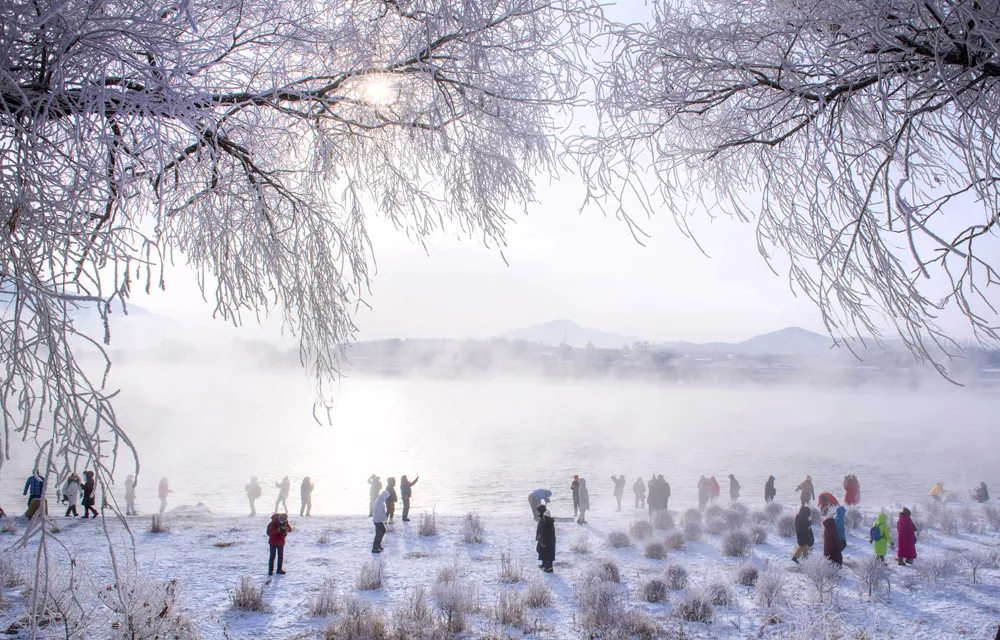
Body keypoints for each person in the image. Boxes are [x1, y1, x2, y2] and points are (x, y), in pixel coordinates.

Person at [535, 504, 556, 573]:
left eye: (538, 512)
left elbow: (543, 531)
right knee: (541, 551)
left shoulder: (545, 521)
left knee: (546, 553)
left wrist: (541, 540)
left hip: (546, 540)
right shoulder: (545, 519)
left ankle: (548, 567)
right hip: (547, 540)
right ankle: (545, 564)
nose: (537, 513)